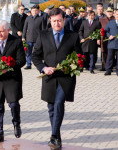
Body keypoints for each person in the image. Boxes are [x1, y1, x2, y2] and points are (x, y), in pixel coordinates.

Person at [32, 8, 83, 149]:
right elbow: (35, 56)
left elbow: (80, 58)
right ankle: (57, 138)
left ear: (64, 20)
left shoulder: (73, 36)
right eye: (54, 21)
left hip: (65, 78)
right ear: (50, 21)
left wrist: (72, 66)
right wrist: (43, 68)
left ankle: (53, 136)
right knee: (51, 107)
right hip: (49, 77)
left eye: (59, 21)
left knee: (59, 102)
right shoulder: (43, 35)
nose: (57, 24)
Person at [0, 20, 26, 143]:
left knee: (13, 104)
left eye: (2, 31)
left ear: (8, 30)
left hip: (12, 78)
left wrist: (9, 67)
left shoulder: (16, 41)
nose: (0, 34)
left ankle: (16, 123)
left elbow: (21, 60)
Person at [22, 4, 47, 69]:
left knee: (37, 52)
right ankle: (28, 64)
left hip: (38, 39)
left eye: (36, 10)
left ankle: (39, 64)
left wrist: (43, 38)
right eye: (33, 10)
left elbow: (43, 29)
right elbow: (25, 28)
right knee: (28, 52)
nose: (34, 12)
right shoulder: (28, 18)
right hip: (29, 38)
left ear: (38, 11)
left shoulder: (41, 19)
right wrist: (23, 37)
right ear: (31, 11)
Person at [104, 9, 118, 76]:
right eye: (117, 14)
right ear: (114, 15)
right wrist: (109, 36)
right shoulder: (110, 22)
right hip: (112, 43)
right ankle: (108, 70)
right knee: (110, 57)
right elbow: (106, 31)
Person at [99, 7, 115, 71]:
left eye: (110, 11)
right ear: (106, 12)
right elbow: (98, 29)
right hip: (104, 38)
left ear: (113, 12)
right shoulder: (101, 19)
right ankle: (104, 66)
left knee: (112, 53)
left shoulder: (115, 19)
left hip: (113, 38)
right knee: (104, 52)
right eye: (108, 12)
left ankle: (111, 66)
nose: (109, 13)